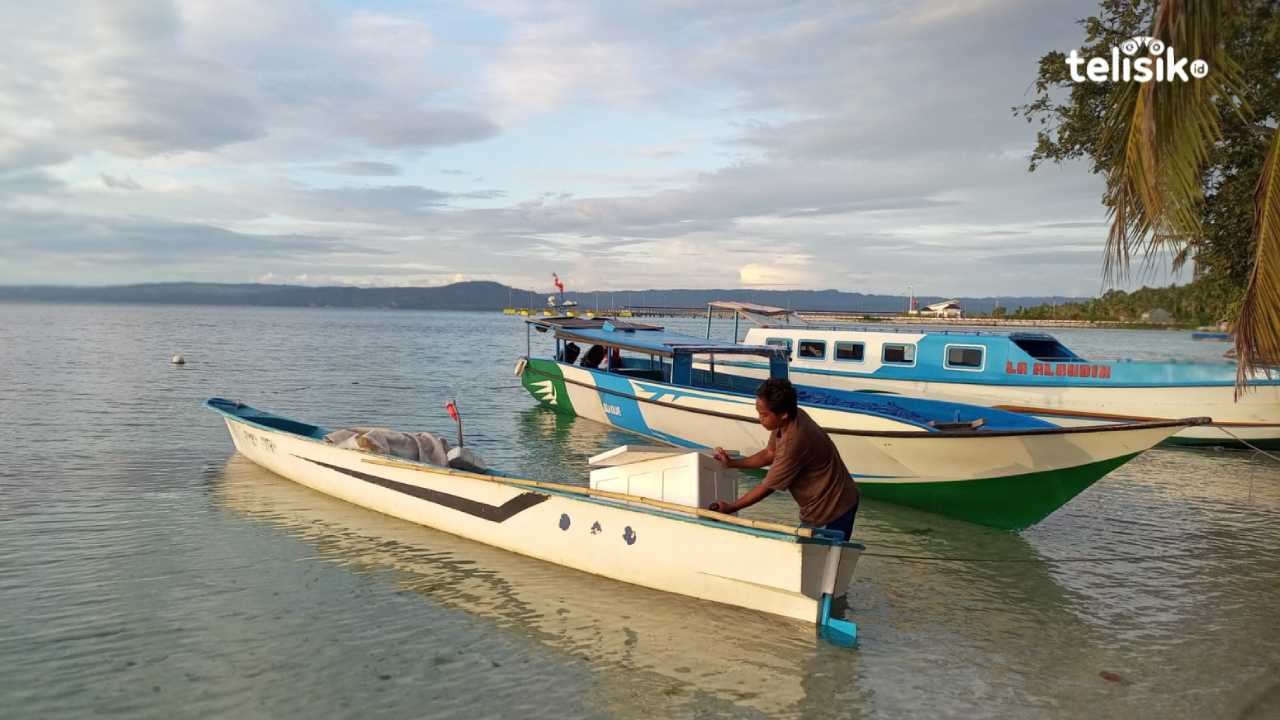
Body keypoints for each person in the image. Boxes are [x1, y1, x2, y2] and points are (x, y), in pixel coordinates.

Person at [708, 378, 860, 540]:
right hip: (819, 506)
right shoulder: (791, 417)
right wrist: (732, 463)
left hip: (834, 507)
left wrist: (731, 507)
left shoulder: (794, 441)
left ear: (783, 415)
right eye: (758, 413)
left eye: (764, 415)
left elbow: (768, 486)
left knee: (825, 560)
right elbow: (769, 454)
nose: (760, 419)